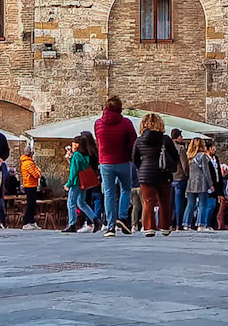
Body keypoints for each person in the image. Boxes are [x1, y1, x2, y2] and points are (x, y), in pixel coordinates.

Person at [131, 113, 179, 236]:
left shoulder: (139, 140)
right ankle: (165, 227)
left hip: (145, 174)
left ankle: (149, 227)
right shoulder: (165, 139)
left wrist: (141, 168)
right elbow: (175, 156)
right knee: (164, 201)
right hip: (163, 173)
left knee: (148, 201)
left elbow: (135, 158)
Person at [95, 95, 137, 236]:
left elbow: (99, 142)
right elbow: (133, 142)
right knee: (126, 188)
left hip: (105, 162)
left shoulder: (98, 124)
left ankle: (110, 226)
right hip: (123, 160)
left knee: (108, 193)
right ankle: (122, 217)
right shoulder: (126, 123)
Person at [64, 131, 103, 231]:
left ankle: (72, 224)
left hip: (76, 182)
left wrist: (69, 183)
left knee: (71, 202)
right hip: (84, 182)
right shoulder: (86, 156)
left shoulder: (76, 155)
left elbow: (74, 171)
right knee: (81, 202)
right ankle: (95, 220)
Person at [184, 136, 215, 229]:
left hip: (191, 182)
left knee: (190, 204)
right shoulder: (203, 156)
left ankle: (186, 223)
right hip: (201, 182)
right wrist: (211, 184)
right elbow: (206, 171)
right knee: (203, 204)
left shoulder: (189, 156)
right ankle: (200, 223)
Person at [169, 129, 189, 229]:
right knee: (179, 202)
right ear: (177, 136)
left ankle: (170, 223)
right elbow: (184, 165)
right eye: (181, 136)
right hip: (180, 177)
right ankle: (178, 224)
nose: (182, 138)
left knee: (170, 202)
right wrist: (187, 175)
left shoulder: (167, 147)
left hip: (170, 177)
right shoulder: (180, 148)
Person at [19, 145, 43, 226]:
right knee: (30, 204)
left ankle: (31, 220)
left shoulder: (27, 162)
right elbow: (36, 174)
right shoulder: (28, 163)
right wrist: (39, 170)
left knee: (32, 204)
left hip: (30, 184)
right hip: (30, 185)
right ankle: (27, 221)